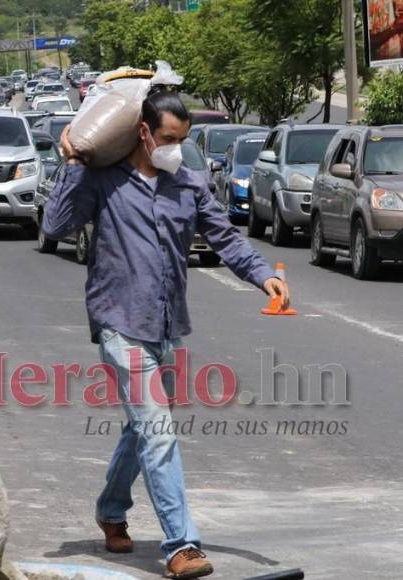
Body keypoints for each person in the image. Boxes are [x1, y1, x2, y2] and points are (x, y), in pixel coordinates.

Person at [42, 90, 289, 579]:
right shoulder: (104, 180)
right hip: (119, 322)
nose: (176, 148)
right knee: (157, 432)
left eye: (183, 140)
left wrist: (264, 275)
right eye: (169, 138)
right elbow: (56, 225)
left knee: (141, 428)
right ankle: (181, 545)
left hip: (168, 324)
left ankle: (111, 510)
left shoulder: (189, 186)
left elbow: (225, 238)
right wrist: (72, 165)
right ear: (144, 132)